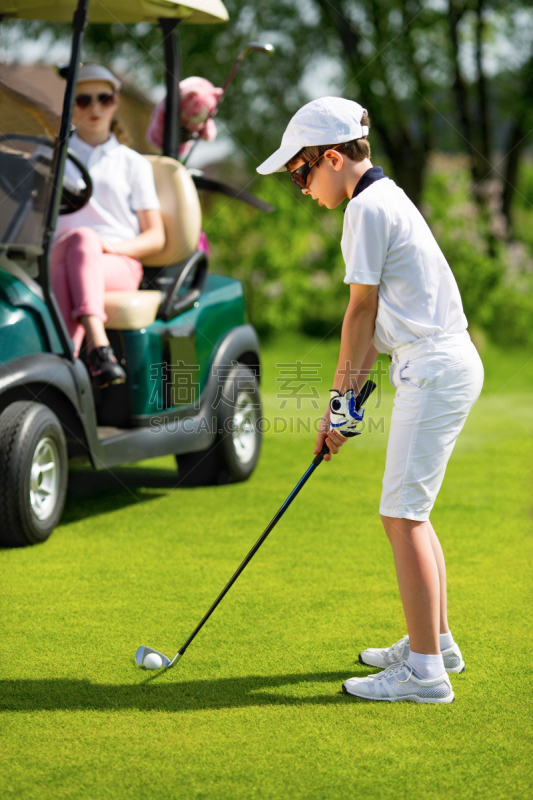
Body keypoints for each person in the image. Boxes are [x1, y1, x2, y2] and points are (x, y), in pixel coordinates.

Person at [257, 97, 484, 704]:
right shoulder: (385, 198)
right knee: (413, 511)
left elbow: (359, 315)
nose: (301, 188)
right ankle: (434, 641)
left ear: (333, 158)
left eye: (300, 173)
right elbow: (371, 320)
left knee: (401, 516)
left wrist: (338, 411)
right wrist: (346, 410)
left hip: (433, 366)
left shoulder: (365, 209)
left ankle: (425, 674)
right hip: (438, 362)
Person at [52, 64, 165, 388]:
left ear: (115, 102)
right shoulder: (54, 157)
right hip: (62, 251)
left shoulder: (133, 164)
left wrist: (110, 247)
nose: (95, 107)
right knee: (80, 243)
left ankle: (64, 366)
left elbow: (156, 237)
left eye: (104, 98)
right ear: (71, 106)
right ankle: (97, 351)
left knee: (73, 263)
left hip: (117, 262)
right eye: (84, 100)